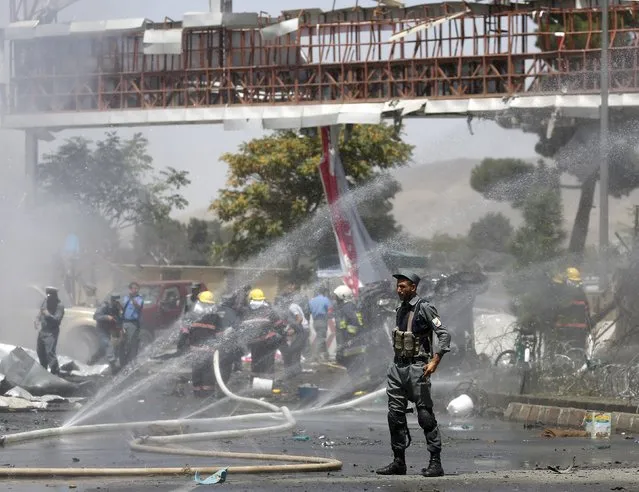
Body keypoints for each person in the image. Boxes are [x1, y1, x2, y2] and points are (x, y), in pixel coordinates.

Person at [376, 272, 451, 478]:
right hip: (398, 368)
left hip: (418, 368)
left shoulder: (425, 307)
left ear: (413, 288)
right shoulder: (399, 308)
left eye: (402, 286)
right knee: (395, 415)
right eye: (397, 286)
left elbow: (443, 334)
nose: (398, 290)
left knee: (425, 414)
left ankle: (435, 462)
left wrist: (435, 360)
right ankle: (399, 462)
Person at [186, 291, 233, 397]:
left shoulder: (192, 315)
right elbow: (220, 333)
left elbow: (186, 331)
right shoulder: (215, 317)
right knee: (207, 370)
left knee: (197, 369)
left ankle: (198, 391)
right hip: (208, 350)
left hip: (196, 349)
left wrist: (184, 344)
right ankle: (206, 392)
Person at [240, 288, 287, 379]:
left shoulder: (248, 312)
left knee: (258, 364)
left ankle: (260, 385)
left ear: (250, 299)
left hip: (262, 343)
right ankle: (262, 385)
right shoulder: (270, 311)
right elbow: (280, 327)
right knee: (265, 364)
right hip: (264, 343)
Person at [333, 285, 366, 372]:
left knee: (354, 368)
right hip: (352, 342)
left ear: (342, 296)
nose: (335, 299)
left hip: (351, 343)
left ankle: (362, 384)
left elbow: (354, 322)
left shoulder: (347, 307)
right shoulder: (350, 306)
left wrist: (349, 338)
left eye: (336, 297)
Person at [89, 294, 123, 374]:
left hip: (109, 330)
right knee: (108, 344)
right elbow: (96, 316)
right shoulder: (104, 306)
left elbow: (119, 318)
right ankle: (113, 367)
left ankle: (92, 360)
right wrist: (106, 317)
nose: (116, 302)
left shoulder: (117, 307)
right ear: (111, 300)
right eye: (115, 300)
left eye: (117, 301)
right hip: (101, 329)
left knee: (103, 349)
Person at [36, 287, 65, 375]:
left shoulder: (59, 305)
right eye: (48, 295)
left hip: (51, 332)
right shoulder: (45, 301)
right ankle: (43, 370)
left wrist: (48, 315)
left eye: (51, 295)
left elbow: (57, 319)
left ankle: (55, 372)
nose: (48, 297)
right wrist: (37, 319)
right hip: (43, 330)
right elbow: (41, 312)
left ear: (55, 295)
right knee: (40, 351)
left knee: (50, 353)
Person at [121, 282, 144, 366]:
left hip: (133, 324)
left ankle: (133, 362)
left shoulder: (139, 298)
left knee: (132, 343)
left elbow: (138, 306)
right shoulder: (126, 298)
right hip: (125, 322)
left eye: (136, 288)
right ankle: (124, 361)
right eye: (133, 288)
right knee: (124, 342)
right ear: (130, 289)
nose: (135, 290)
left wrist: (132, 299)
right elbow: (123, 308)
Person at [308, 287, 333, 361]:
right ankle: (315, 356)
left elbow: (308, 311)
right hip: (322, 320)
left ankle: (326, 356)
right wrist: (328, 317)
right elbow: (330, 311)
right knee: (320, 338)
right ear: (324, 292)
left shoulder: (311, 301)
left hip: (315, 321)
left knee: (321, 337)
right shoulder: (325, 299)